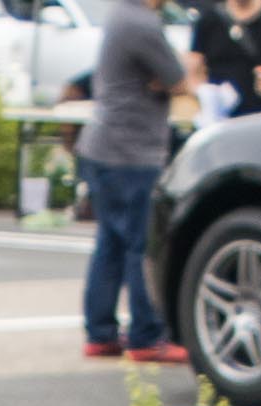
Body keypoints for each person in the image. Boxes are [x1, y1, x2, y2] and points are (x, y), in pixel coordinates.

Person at [81, 0, 188, 363]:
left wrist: (160, 81)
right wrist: (168, 80)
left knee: (110, 242)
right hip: (132, 149)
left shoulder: (119, 14)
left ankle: (100, 332)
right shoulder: (143, 23)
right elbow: (179, 79)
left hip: (101, 145)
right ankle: (145, 334)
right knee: (141, 245)